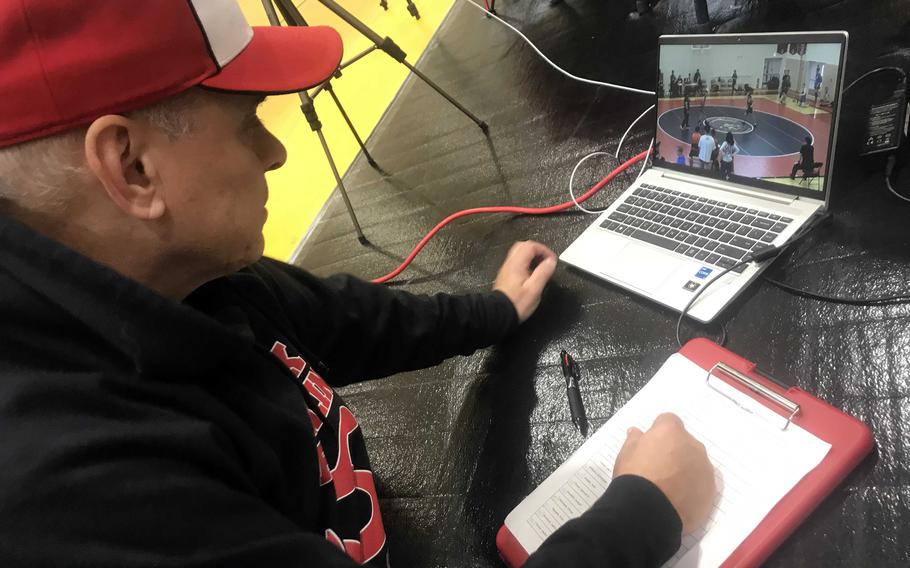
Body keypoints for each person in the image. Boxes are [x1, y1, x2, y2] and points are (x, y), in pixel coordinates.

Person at [0, 1, 716, 567]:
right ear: (131, 168)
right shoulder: (77, 494)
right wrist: (646, 511)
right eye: (249, 122)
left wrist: (494, 310)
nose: (276, 150)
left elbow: (342, 319)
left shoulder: (174, 272)